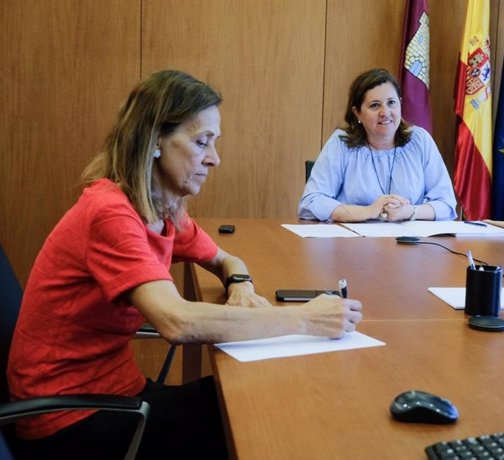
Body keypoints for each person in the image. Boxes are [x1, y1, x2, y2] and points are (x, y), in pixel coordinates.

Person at [7, 70, 363, 460]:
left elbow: (225, 258)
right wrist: (307, 320)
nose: (215, 158)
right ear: (156, 139)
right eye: (201, 141)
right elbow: (177, 321)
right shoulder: (109, 213)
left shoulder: (164, 208)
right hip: (68, 421)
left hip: (115, 392)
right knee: (260, 416)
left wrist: (240, 283)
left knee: (261, 394)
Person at [298, 68, 457, 222]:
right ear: (357, 113)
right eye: (375, 105)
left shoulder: (420, 140)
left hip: (409, 244)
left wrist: (410, 211)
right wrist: (368, 211)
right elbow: (311, 202)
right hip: (353, 245)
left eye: (391, 103)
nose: (385, 112)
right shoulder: (341, 143)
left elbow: (446, 204)